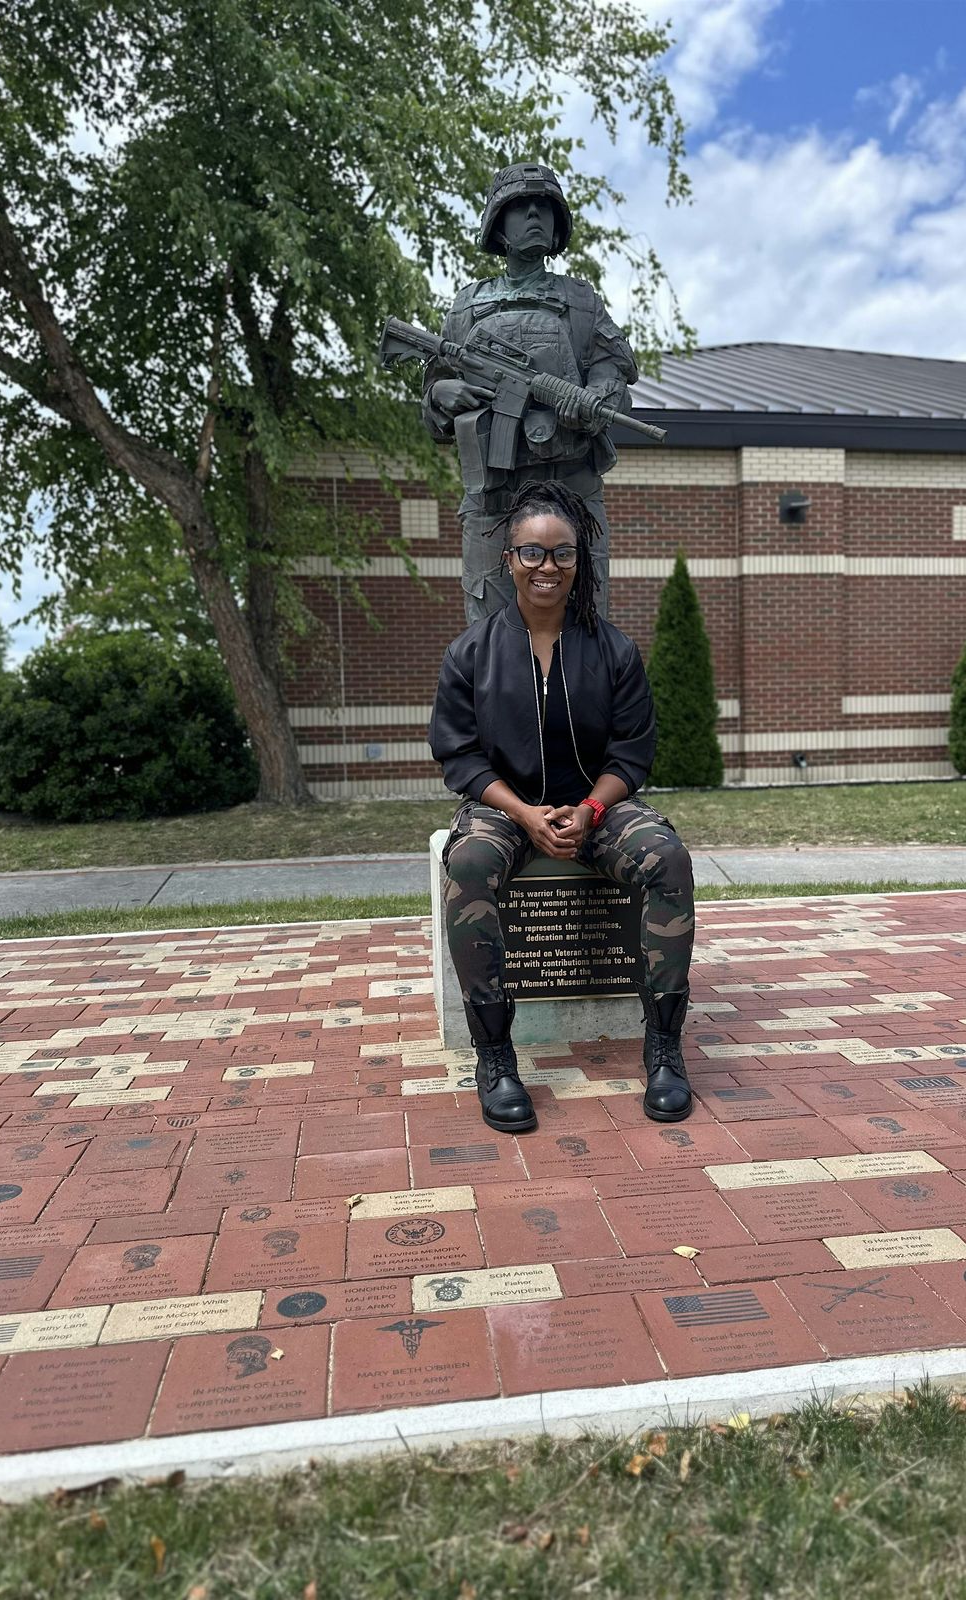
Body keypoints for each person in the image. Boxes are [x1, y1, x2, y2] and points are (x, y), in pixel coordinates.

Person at [428, 479, 696, 1133]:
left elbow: (631, 754)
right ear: (509, 560)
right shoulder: (471, 653)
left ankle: (664, 1048)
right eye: (532, 552)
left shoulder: (614, 651)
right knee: (469, 865)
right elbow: (459, 756)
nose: (547, 566)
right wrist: (525, 815)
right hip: (504, 807)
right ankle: (496, 1058)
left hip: (595, 807)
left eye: (562, 553)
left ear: (579, 562)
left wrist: (590, 812)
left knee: (666, 856)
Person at [421, 162, 639, 625]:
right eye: (522, 207)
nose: (536, 214)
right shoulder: (466, 306)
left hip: (572, 488)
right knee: (490, 633)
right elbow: (434, 391)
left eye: (546, 207)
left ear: (559, 226)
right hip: (493, 496)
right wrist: (442, 393)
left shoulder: (581, 301)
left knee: (586, 624)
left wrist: (596, 397)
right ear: (499, 226)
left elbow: (616, 368)